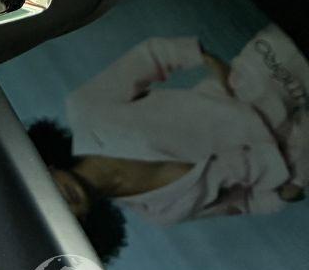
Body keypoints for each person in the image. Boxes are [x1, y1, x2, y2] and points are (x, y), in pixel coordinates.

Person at [30, 28, 309, 255]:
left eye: (43, 198)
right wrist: (286, 192)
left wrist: (205, 59)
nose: (61, 203)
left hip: (273, 75)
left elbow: (153, 55)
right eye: (58, 218)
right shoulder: (161, 213)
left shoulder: (88, 111)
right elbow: (244, 202)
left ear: (41, 169)